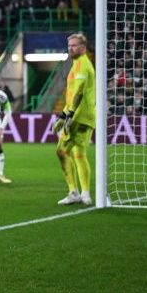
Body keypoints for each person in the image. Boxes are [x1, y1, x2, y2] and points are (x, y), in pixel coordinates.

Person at [54, 32, 95, 206]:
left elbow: (78, 92)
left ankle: (73, 191)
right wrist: (63, 115)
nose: (71, 48)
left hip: (78, 117)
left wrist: (68, 116)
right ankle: (85, 194)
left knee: (61, 151)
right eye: (69, 45)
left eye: (74, 45)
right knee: (79, 153)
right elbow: (72, 95)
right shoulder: (79, 64)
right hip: (84, 116)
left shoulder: (82, 65)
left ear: (83, 47)